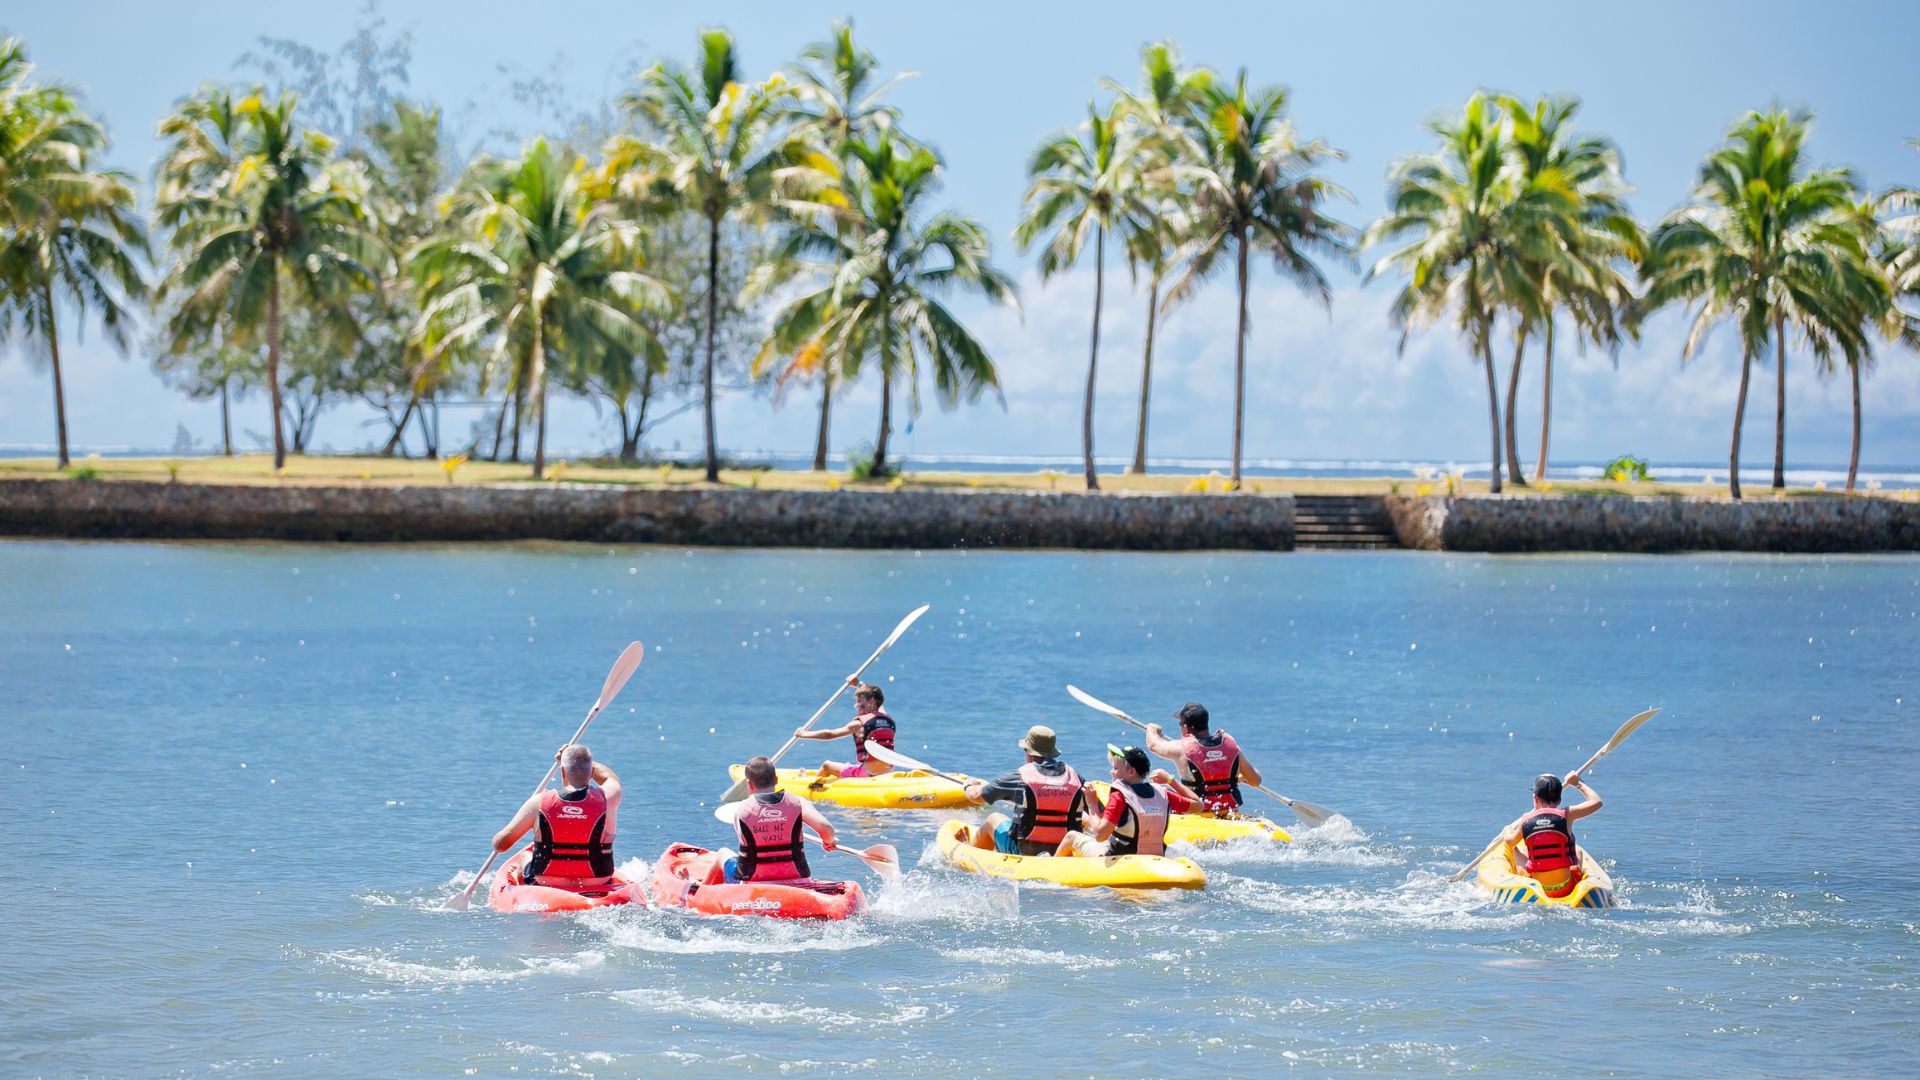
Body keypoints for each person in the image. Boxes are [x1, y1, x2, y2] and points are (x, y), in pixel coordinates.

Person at [491, 744, 621, 889]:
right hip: (598, 879)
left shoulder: (539, 802)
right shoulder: (607, 798)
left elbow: (501, 845)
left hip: (548, 881)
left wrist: (496, 839)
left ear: (563, 771)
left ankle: (522, 877)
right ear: (591, 773)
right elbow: (610, 778)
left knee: (525, 856)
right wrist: (580, 761)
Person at [1055, 745, 1201, 858]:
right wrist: (1170, 780)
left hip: (1120, 858)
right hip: (1155, 856)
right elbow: (1199, 806)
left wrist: (1092, 803)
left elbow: (1100, 836)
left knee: (1071, 836)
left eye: (1115, 768)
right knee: (1087, 823)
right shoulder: (1162, 793)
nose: (1111, 772)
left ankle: (1050, 871)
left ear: (1131, 771)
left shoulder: (1119, 796)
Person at [960, 725, 1087, 856]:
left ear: (1029, 753)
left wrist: (969, 785)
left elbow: (975, 797)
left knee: (993, 818)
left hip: (1024, 852)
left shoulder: (1020, 777)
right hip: (1065, 850)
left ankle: (970, 853)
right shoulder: (1075, 778)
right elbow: (1097, 814)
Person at [719, 755, 838, 884]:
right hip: (799, 880)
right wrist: (828, 841)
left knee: (722, 853)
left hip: (755, 883)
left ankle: (700, 891)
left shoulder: (742, 809)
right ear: (776, 779)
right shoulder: (798, 802)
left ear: (749, 784)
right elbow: (825, 828)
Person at [1142, 702, 1263, 817]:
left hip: (1196, 813)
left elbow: (1153, 745)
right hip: (1228, 812)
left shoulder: (1181, 748)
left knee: (1160, 791)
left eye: (1180, 725)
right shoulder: (1230, 745)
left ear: (1185, 727)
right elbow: (1255, 781)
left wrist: (1151, 729)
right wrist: (1238, 778)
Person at [1494, 772, 1603, 897]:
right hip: (1566, 886)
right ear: (1560, 800)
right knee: (1578, 852)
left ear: (1535, 798)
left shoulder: (1526, 820)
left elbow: (1510, 841)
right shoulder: (1567, 814)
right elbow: (1597, 802)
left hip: (1538, 886)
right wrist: (1577, 783)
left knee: (1515, 850)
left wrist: (1507, 830)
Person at [791, 678, 896, 778]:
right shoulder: (888, 719)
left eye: (860, 702)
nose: (856, 705)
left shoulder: (858, 724)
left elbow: (829, 734)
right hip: (886, 772)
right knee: (849, 767)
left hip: (866, 773)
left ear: (871, 702)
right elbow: (875, 697)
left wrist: (803, 734)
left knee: (826, 765)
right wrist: (859, 684)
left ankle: (810, 784)